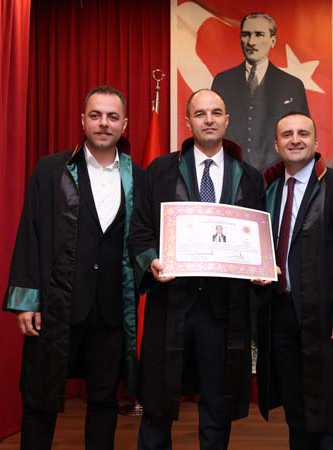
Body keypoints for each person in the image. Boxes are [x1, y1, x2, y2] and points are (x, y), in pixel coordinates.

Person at [2, 86, 143, 450]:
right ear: (83, 120)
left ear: (124, 124)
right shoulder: (51, 170)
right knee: (40, 399)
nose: (103, 123)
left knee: (104, 400)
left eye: (112, 117)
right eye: (96, 115)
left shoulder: (138, 178)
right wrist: (27, 300)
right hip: (57, 304)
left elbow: (145, 240)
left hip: (111, 309)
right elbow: (30, 233)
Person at [128, 89, 266, 450]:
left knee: (218, 404)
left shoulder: (248, 177)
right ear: (188, 122)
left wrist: (259, 265)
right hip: (171, 302)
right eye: (200, 113)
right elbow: (139, 229)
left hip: (224, 310)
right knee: (157, 403)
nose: (209, 119)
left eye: (216, 113)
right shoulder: (161, 170)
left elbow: (259, 237)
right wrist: (151, 262)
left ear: (227, 120)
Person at [257, 112, 333, 450]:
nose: (295, 139)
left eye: (303, 133)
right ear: (276, 144)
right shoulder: (269, 190)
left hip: (327, 319)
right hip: (281, 315)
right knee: (296, 410)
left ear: (316, 141)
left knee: (332, 411)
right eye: (287, 134)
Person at [211, 12, 310, 173]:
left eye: (259, 34)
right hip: (232, 174)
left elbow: (304, 134)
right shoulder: (222, 81)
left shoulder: (292, 85)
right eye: (246, 35)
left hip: (278, 176)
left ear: (273, 40)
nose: (251, 42)